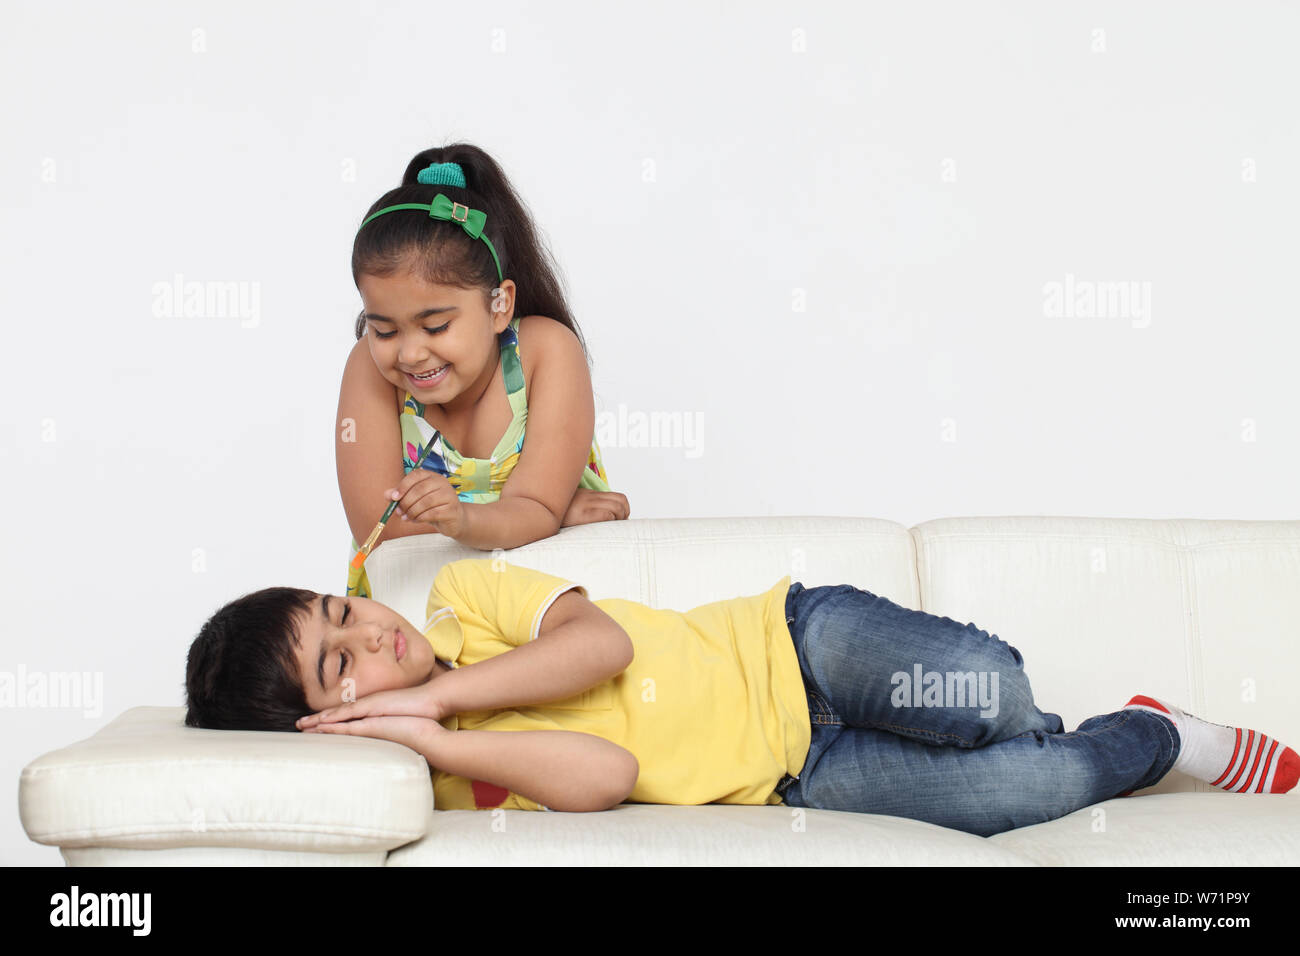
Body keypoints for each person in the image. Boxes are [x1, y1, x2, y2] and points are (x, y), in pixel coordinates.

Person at [184, 558, 1298, 836]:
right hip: (797, 774)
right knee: (1031, 789)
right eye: (341, 666)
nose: (369, 631)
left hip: (794, 645)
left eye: (342, 609)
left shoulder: (465, 601)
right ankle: (1161, 734)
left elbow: (598, 645)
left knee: (991, 695)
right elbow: (609, 775)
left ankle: (1059, 727)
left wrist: (443, 693)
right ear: (329, 726)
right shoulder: (457, 780)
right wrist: (435, 737)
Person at [339, 144, 629, 600]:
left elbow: (535, 509)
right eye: (385, 330)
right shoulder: (368, 368)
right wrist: (543, 519)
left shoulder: (546, 352)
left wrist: (504, 516)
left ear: (499, 305)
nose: (410, 353)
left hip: (546, 601)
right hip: (417, 608)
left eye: (436, 326)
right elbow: (384, 536)